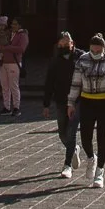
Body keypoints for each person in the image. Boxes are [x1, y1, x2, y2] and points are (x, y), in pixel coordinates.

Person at [68, 33, 105, 190]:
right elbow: (76, 82)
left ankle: (100, 172)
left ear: (104, 48)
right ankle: (90, 157)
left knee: (102, 136)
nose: (95, 54)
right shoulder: (83, 60)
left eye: (98, 51)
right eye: (92, 51)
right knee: (85, 136)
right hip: (87, 100)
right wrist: (71, 103)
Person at [42, 30, 80, 178]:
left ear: (72, 43)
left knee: (71, 132)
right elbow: (49, 82)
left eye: (67, 43)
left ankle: (67, 165)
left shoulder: (80, 57)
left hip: (77, 100)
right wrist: (46, 104)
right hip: (61, 99)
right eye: (61, 43)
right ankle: (74, 148)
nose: (64, 46)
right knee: (62, 133)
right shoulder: (55, 60)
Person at [0, 13, 28, 116]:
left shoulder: (23, 35)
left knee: (14, 86)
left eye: (15, 24)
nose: (12, 26)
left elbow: (21, 49)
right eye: (12, 24)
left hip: (13, 63)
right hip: (2, 62)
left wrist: (7, 47)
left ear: (20, 25)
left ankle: (16, 107)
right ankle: (6, 107)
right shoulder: (8, 33)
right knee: (4, 86)